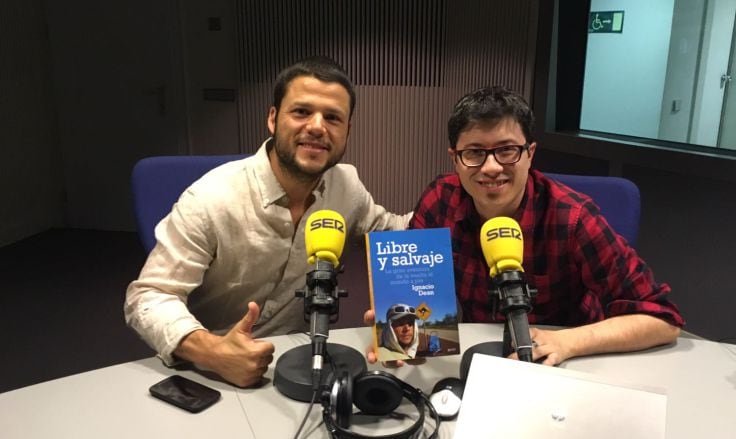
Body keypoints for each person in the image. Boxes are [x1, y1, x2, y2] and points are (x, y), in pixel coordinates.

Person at [125, 57, 410, 387]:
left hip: (301, 361)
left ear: (347, 131)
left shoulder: (346, 187)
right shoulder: (210, 198)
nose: (318, 126)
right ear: (273, 119)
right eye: (302, 112)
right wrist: (212, 351)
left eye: (333, 117)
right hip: (212, 370)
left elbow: (395, 232)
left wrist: (466, 192)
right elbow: (147, 297)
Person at [366, 86, 683, 366]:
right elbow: (416, 301)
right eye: (475, 152)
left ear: (530, 154)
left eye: (506, 150)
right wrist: (397, 337)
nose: (491, 167)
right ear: (455, 159)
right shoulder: (440, 201)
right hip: (483, 361)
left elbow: (661, 319)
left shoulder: (573, 217)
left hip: (564, 363)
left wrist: (567, 342)